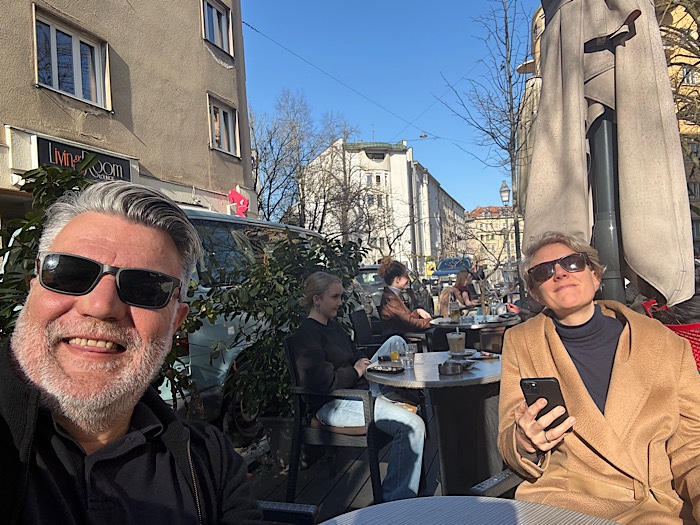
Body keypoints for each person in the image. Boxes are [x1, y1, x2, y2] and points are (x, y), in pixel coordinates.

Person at [0, 181, 263, 524]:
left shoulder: (211, 463)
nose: (100, 306)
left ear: (176, 321)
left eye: (145, 287)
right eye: (69, 273)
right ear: (33, 285)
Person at [498, 231, 700, 524]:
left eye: (573, 263)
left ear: (595, 276)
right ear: (535, 293)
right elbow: (509, 439)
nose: (560, 273)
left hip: (653, 506)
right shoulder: (521, 342)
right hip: (563, 503)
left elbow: (693, 445)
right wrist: (523, 441)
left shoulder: (664, 343)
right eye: (544, 271)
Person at [293, 271, 426, 501]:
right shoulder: (307, 335)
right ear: (316, 299)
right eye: (335, 297)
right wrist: (355, 371)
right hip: (333, 404)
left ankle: (397, 393)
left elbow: (354, 352)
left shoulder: (333, 327)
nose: (340, 302)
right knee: (412, 425)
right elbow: (323, 383)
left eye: (340, 296)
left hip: (359, 390)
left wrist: (363, 362)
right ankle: (394, 501)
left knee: (396, 341)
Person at [378, 257, 432, 334]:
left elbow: (405, 319)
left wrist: (417, 312)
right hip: (402, 338)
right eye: (406, 276)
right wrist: (432, 322)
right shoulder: (390, 300)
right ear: (397, 279)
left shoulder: (393, 296)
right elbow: (410, 324)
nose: (408, 280)